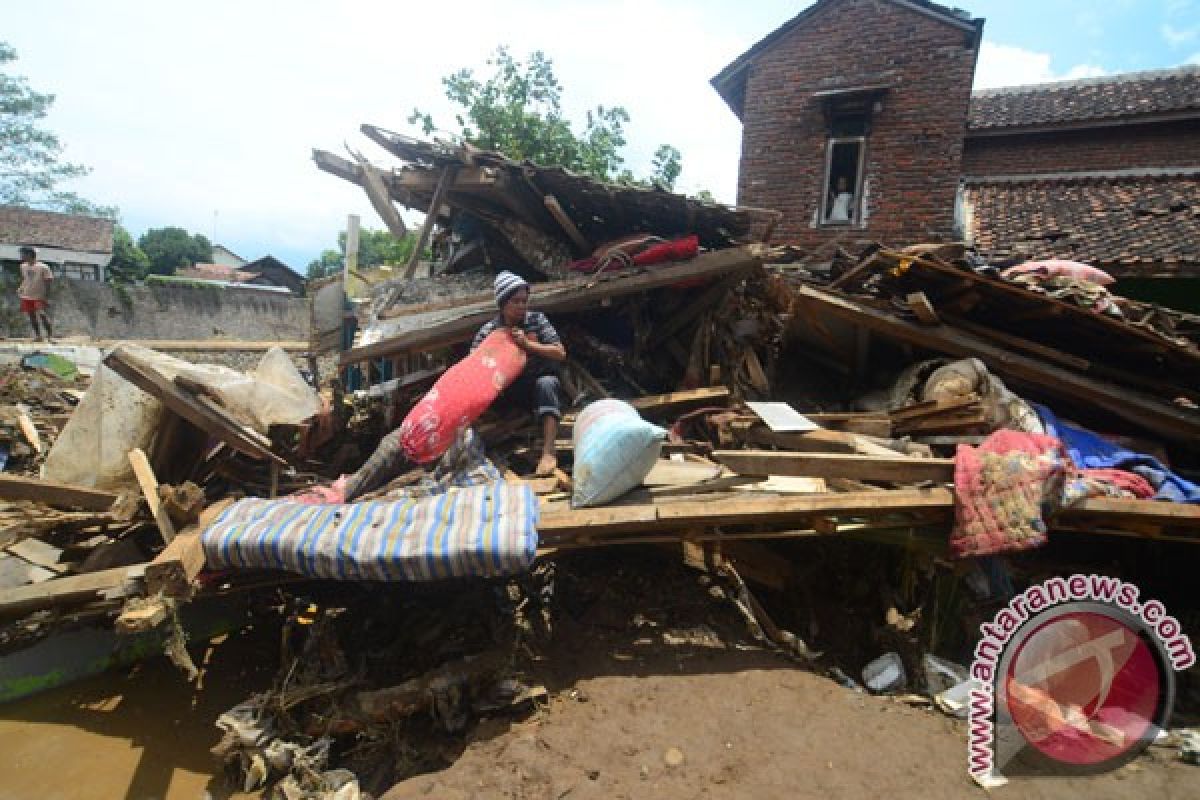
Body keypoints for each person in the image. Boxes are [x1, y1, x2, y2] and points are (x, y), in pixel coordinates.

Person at [471, 271, 567, 476]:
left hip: (538, 386)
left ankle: (548, 452)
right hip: (510, 389)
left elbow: (559, 353)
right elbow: (474, 365)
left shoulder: (537, 320)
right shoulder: (489, 330)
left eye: (525, 301)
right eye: (516, 301)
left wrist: (527, 344)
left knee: (547, 383)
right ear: (503, 303)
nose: (522, 306)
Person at [17, 247, 54, 342]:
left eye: (23, 254)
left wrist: (46, 297)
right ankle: (38, 336)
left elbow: (48, 282)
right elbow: (26, 279)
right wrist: (21, 288)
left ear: (29, 254)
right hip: (27, 295)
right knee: (31, 316)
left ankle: (50, 336)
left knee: (42, 315)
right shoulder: (23, 266)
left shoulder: (43, 267)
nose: (21, 256)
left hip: (39, 296)